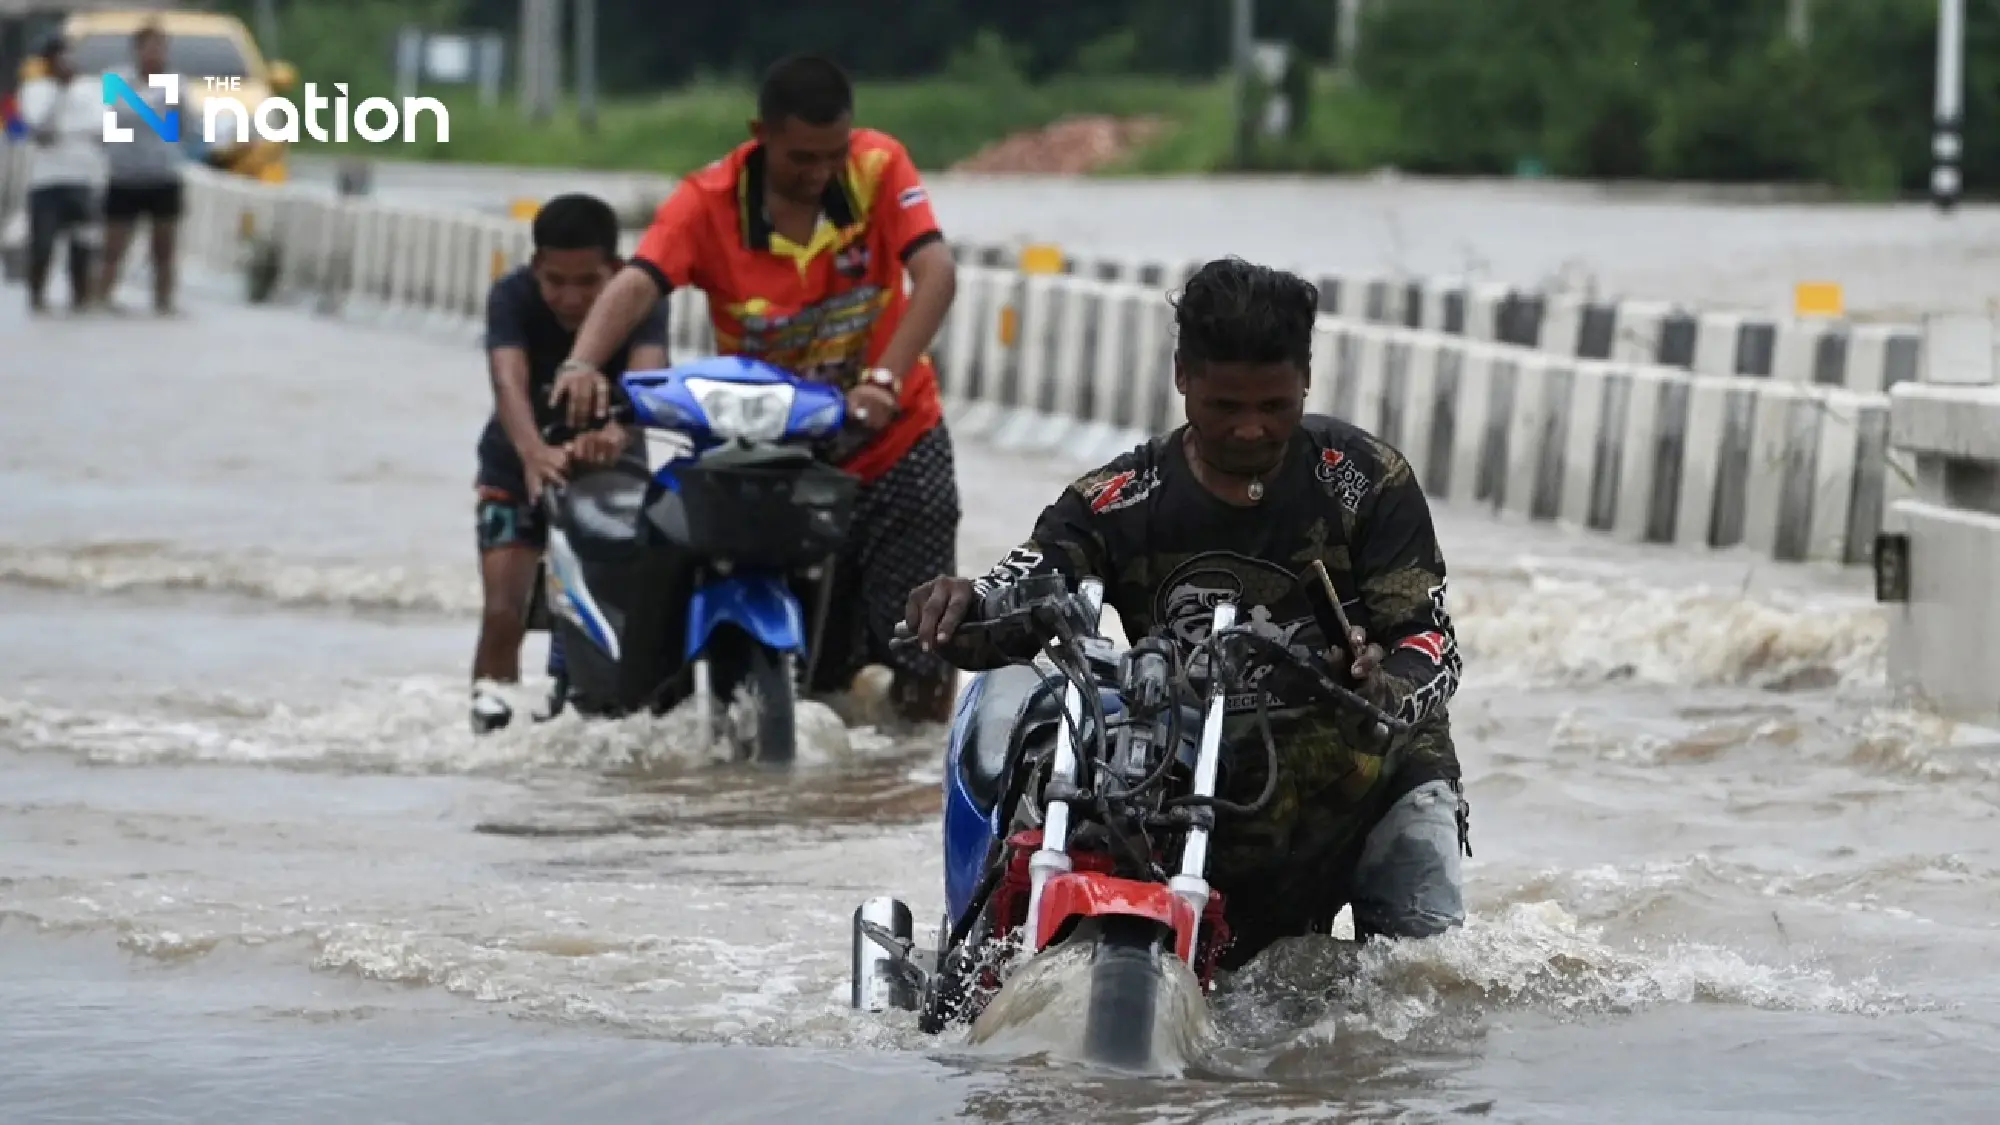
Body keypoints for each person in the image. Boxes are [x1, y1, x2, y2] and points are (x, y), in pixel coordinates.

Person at [903, 257, 1471, 968]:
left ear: (1307, 379)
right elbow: (1025, 591)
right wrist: (962, 607)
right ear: (1181, 377)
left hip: (1370, 783)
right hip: (1203, 789)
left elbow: (1433, 642)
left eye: (1275, 406)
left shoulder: (1364, 479)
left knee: (1428, 988)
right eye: (1225, 407)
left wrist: (1378, 685)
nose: (1251, 431)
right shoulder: (1117, 498)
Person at [548, 53, 962, 725]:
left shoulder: (880, 168)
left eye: (833, 154)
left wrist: (883, 380)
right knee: (817, 664)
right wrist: (581, 365)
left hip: (892, 436)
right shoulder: (706, 201)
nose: (820, 173)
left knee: (924, 646)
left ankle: (902, 782)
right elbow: (638, 280)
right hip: (772, 447)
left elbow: (936, 273)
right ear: (759, 134)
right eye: (801, 158)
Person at [471, 193, 668, 734]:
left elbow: (648, 383)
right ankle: (488, 731)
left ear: (616, 270)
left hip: (611, 477)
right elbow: (507, 381)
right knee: (503, 614)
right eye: (555, 281)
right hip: (516, 467)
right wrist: (534, 452)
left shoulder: (644, 300)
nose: (570, 298)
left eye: (588, 283)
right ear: (535, 269)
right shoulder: (511, 297)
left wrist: (615, 433)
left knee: (623, 619)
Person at [94, 22, 184, 315]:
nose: (154, 53)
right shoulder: (116, 81)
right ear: (137, 50)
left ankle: (164, 302)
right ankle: (100, 299)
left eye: (160, 48)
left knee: (164, 249)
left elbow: (183, 126)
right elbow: (107, 122)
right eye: (149, 47)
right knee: (112, 248)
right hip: (124, 175)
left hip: (162, 174)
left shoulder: (176, 84)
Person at [16, 36, 104, 315]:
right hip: (46, 180)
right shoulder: (35, 90)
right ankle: (37, 299)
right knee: (42, 244)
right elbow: (40, 131)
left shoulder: (91, 89)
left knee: (83, 244)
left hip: (83, 177)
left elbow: (101, 127)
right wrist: (60, 93)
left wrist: (70, 129)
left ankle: (81, 300)